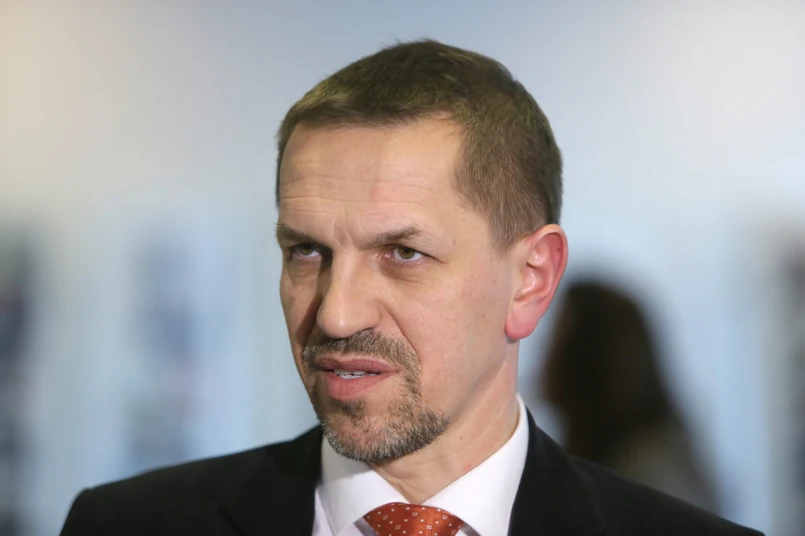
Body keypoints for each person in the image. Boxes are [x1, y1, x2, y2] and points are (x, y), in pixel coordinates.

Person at [60, 40, 762, 535]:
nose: (336, 315)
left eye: (402, 253)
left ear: (530, 280)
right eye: (306, 251)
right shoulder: (124, 526)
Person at [540, 279, 718, 511]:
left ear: (590, 359)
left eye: (556, 340)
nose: (545, 359)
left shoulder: (646, 471)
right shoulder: (619, 460)